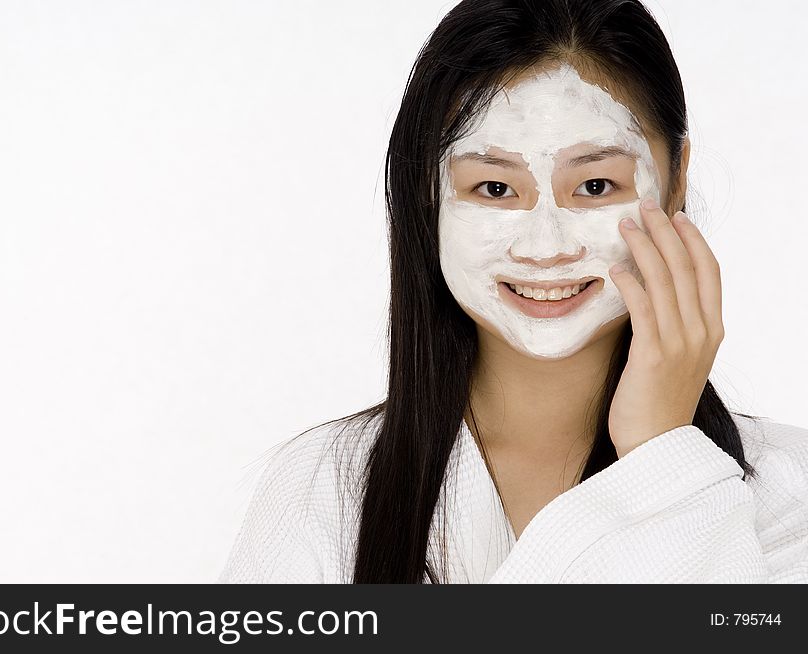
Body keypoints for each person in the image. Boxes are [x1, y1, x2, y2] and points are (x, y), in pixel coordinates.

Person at [219, 0, 808, 583]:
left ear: (677, 178)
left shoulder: (791, 488)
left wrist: (663, 459)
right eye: (496, 188)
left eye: (596, 185)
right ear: (425, 193)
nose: (545, 246)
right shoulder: (322, 490)